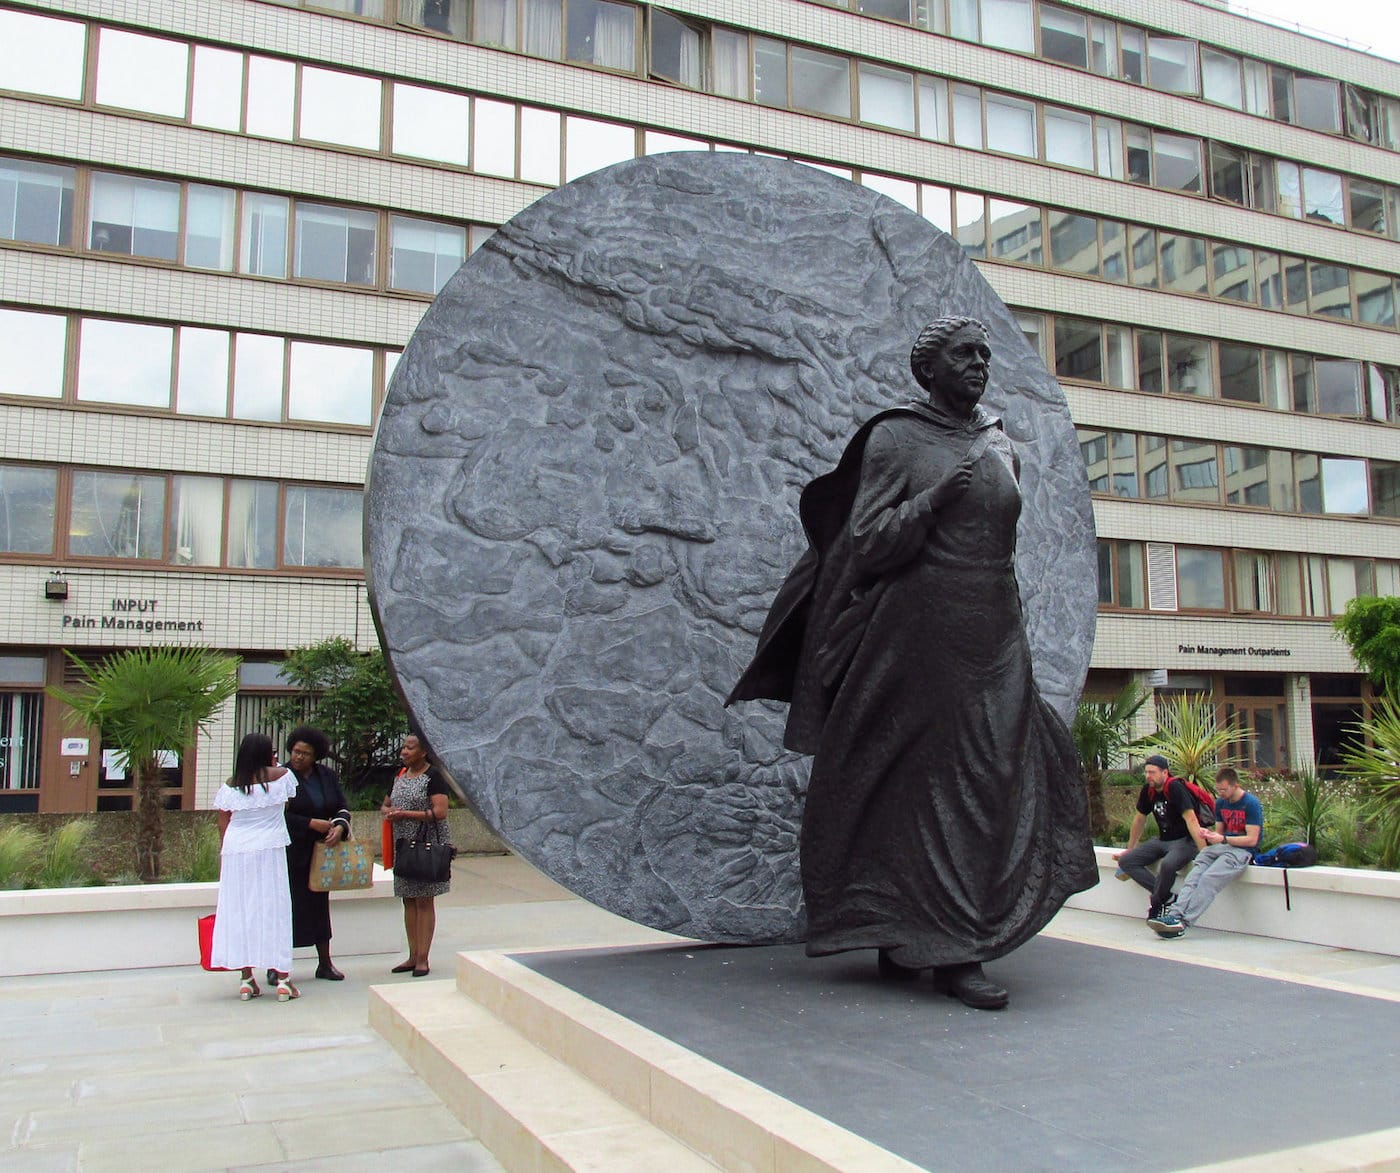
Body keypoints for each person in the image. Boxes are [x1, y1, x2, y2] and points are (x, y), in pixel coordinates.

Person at [728, 316, 1098, 1011]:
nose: (980, 363)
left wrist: (1013, 627)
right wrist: (934, 499)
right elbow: (867, 542)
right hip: (917, 632)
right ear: (929, 369)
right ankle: (939, 945)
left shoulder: (999, 442)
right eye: (965, 354)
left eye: (985, 354)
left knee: (996, 775)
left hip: (992, 631)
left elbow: (1003, 549)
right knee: (916, 782)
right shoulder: (896, 437)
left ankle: (935, 931)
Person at [211, 733, 299, 1001]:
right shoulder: (282, 776)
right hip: (269, 847)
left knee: (240, 910)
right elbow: (286, 803)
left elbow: (223, 821)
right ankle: (283, 979)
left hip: (236, 850)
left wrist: (227, 852)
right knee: (274, 908)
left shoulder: (230, 785)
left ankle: (246, 979)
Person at [1151, 768, 1263, 938]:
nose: (1221, 794)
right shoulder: (1221, 803)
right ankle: (1174, 915)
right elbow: (1219, 834)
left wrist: (1223, 839)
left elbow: (1252, 840)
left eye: (1224, 790)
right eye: (1218, 790)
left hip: (1242, 851)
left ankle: (1183, 922)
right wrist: (1208, 835)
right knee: (1193, 877)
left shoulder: (1250, 804)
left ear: (1235, 786)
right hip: (1222, 847)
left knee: (1209, 879)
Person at [280, 726, 352, 983]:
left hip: (321, 853)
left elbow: (341, 806)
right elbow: (277, 815)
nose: (298, 757)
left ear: (316, 756)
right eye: (295, 751)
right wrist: (310, 823)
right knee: (287, 908)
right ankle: (277, 965)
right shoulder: (281, 777)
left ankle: (325, 963)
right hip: (291, 852)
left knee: (320, 908)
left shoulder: (326, 776)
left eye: (305, 753)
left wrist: (340, 827)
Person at [381, 733, 452, 977]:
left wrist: (406, 815)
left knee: (424, 899)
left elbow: (440, 812)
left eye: (410, 748)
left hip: (426, 845)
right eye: (403, 747)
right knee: (408, 899)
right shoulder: (399, 775)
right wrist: (389, 811)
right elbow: (385, 804)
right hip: (403, 845)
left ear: (423, 752)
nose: (404, 751)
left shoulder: (433, 776)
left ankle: (423, 958)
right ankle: (412, 956)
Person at [1113, 754, 1208, 930]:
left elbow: (1191, 819)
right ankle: (1167, 897)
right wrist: (1130, 848)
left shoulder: (1175, 788)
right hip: (1163, 840)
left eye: (1153, 772)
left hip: (1185, 842)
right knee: (1127, 861)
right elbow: (1139, 819)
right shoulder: (1148, 790)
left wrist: (1204, 853)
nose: (1148, 776)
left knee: (1168, 865)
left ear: (1165, 772)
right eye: (1147, 772)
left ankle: (1157, 904)